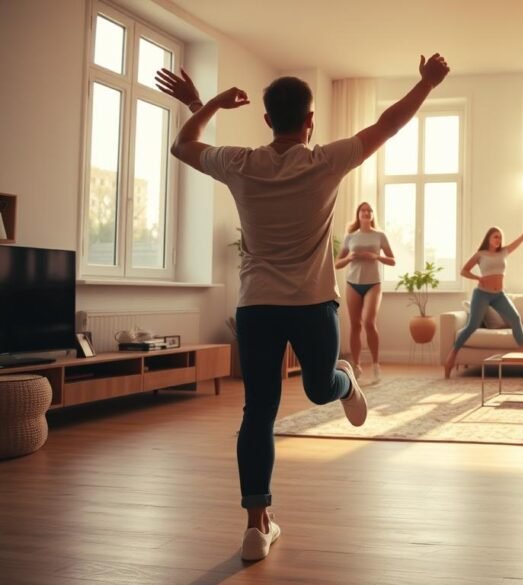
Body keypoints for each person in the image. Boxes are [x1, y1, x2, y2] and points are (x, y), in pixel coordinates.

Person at [157, 53, 450, 561]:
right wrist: (424, 83)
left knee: (310, 392)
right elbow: (388, 124)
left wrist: (205, 105)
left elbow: (182, 145)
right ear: (310, 120)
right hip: (305, 305)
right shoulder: (324, 160)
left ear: (268, 119)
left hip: (260, 308)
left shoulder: (240, 162)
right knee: (261, 412)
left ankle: (344, 379)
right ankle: (257, 524)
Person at [443, 214, 523, 378]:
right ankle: (453, 352)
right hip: (482, 294)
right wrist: (478, 278)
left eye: (500, 237)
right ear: (488, 238)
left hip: (498, 295)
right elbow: (463, 271)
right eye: (495, 237)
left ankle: (522, 347)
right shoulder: (480, 254)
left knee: (515, 318)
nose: (498, 240)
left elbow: (521, 239)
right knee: (472, 326)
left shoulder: (504, 252)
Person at [335, 201, 394, 385]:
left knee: (369, 322)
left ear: (372, 215)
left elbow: (392, 260)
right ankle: (357, 366)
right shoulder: (350, 237)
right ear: (358, 214)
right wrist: (350, 257)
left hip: (373, 284)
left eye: (369, 210)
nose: (366, 212)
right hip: (353, 283)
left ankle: (376, 365)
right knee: (355, 325)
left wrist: (375, 256)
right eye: (363, 210)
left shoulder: (379, 236)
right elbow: (337, 264)